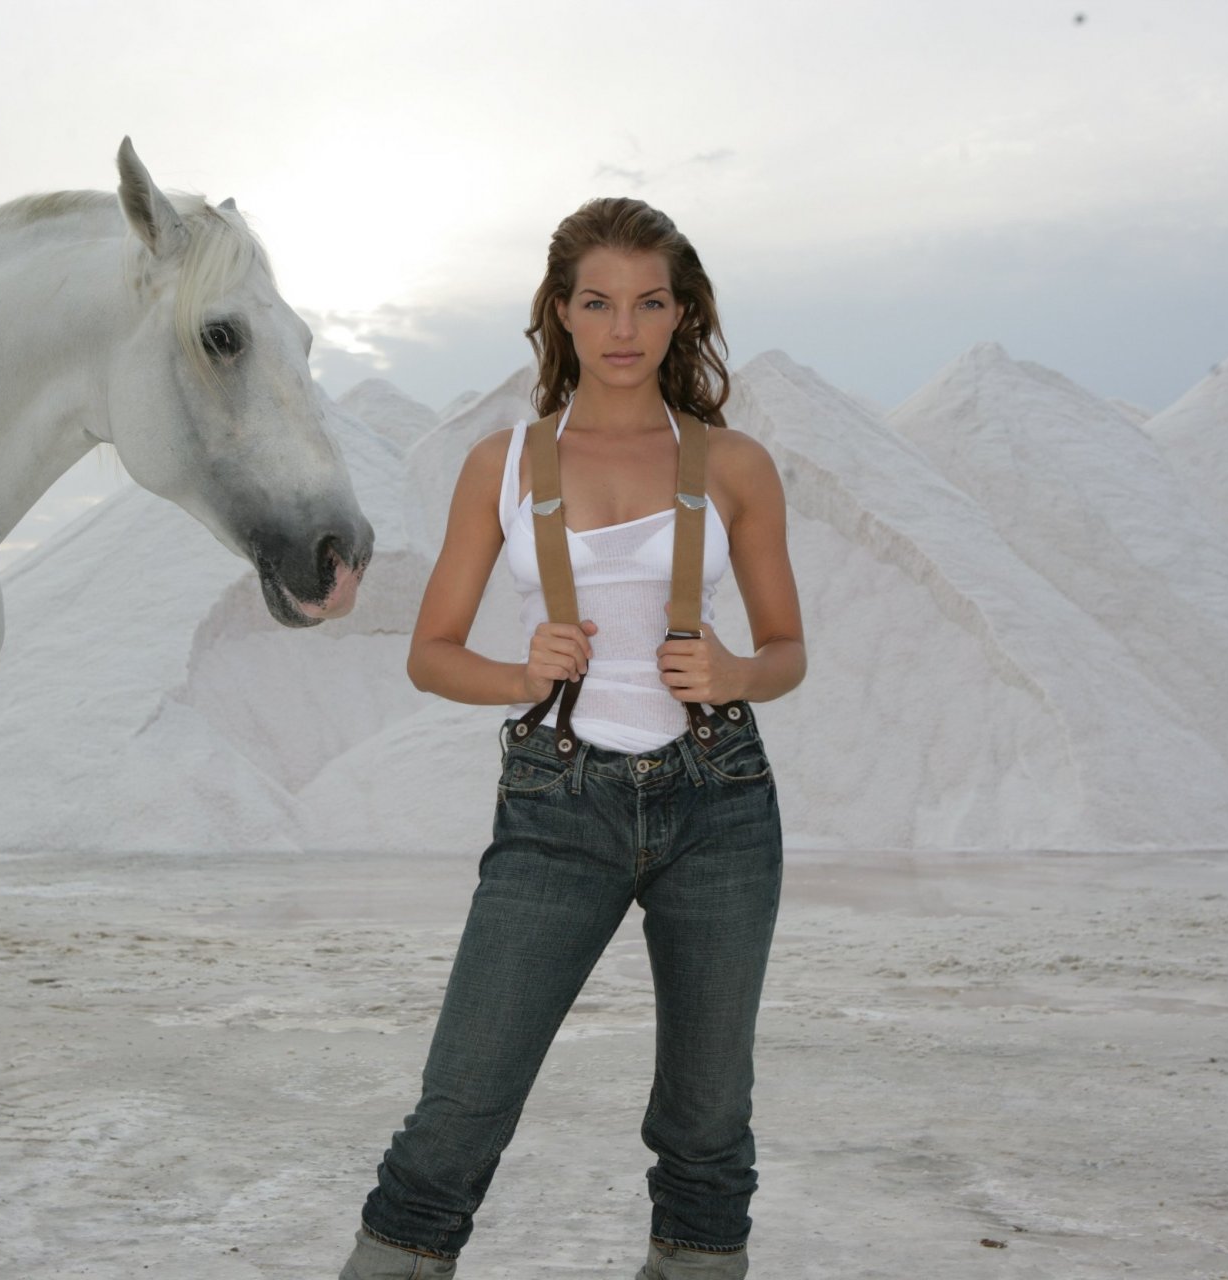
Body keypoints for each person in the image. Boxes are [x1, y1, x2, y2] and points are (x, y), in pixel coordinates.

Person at [337, 197, 806, 1280]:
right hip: (558, 803)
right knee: (459, 1106)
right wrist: (521, 671)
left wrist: (738, 670)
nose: (623, 327)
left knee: (706, 1118)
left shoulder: (734, 465)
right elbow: (430, 652)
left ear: (683, 313)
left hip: (721, 802)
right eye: (597, 301)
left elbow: (787, 649)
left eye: (649, 302)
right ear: (561, 311)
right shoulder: (501, 462)